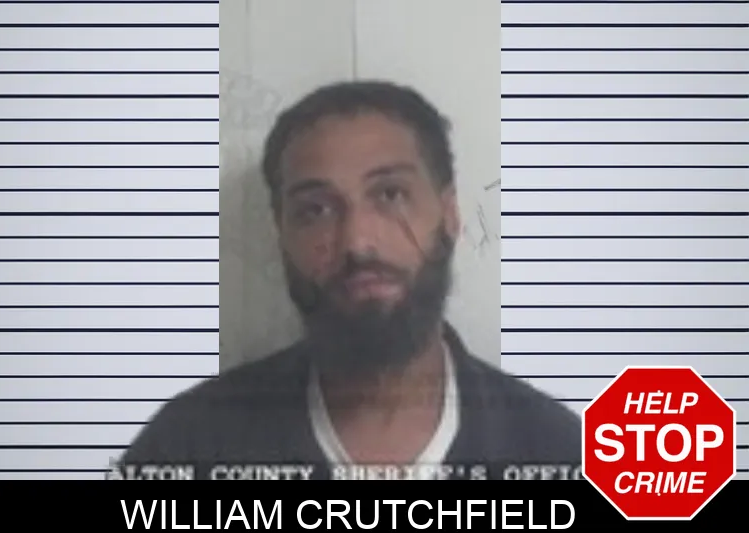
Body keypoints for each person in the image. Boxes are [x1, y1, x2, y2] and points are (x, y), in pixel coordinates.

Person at [118, 81, 581, 480]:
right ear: (281, 234)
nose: (357, 242)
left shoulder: (557, 454)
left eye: (391, 195)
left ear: (449, 214)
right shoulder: (187, 447)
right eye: (315, 210)